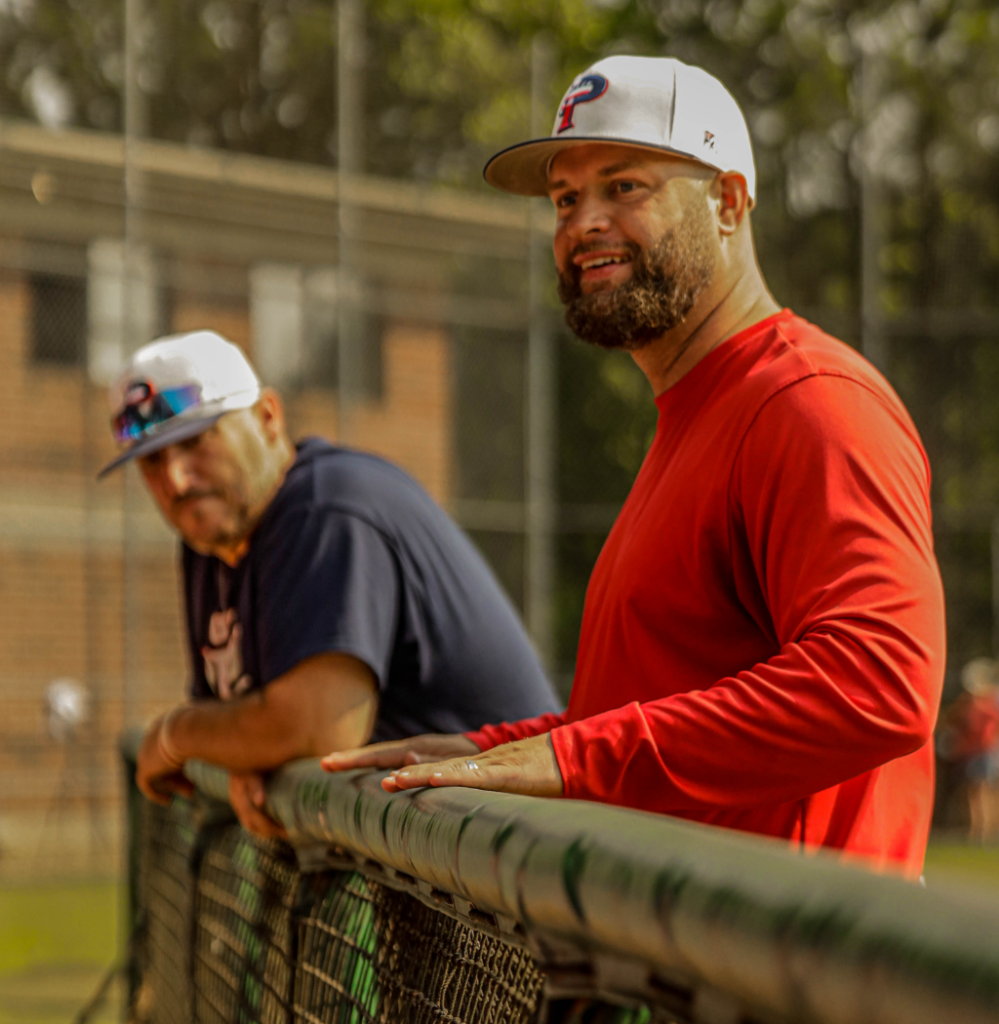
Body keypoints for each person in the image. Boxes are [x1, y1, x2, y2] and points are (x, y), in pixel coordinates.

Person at [322, 55, 946, 878]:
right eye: (565, 198)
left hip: (794, 978)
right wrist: (507, 746)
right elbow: (650, 711)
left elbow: (879, 681)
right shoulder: (695, 413)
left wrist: (569, 761)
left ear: (726, 201)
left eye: (625, 186)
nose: (584, 223)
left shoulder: (809, 402)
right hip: (697, 971)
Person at [103, 330, 559, 836]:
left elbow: (317, 730)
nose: (178, 480)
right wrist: (246, 753)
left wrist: (174, 734)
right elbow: (238, 720)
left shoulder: (330, 508)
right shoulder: (208, 544)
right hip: (431, 855)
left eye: (195, 442)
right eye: (152, 461)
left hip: (517, 849)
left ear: (268, 417)